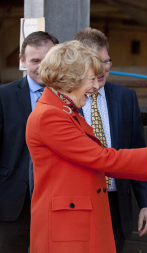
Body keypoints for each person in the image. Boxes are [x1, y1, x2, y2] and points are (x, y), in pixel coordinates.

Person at [25, 40, 147, 253]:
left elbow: (104, 162)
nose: (96, 86)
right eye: (91, 79)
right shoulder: (50, 116)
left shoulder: (63, 110)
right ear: (71, 78)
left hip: (76, 225)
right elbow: (102, 158)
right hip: (68, 230)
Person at [73, 28, 147, 252]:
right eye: (96, 62)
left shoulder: (125, 97)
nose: (103, 69)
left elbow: (137, 151)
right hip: (79, 204)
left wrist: (146, 204)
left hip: (116, 203)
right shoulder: (66, 101)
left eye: (106, 61)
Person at [0, 31, 58, 253]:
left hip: (57, 202)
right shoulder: (4, 96)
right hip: (12, 203)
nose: (42, 67)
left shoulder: (73, 97)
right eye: (35, 60)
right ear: (22, 62)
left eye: (48, 59)